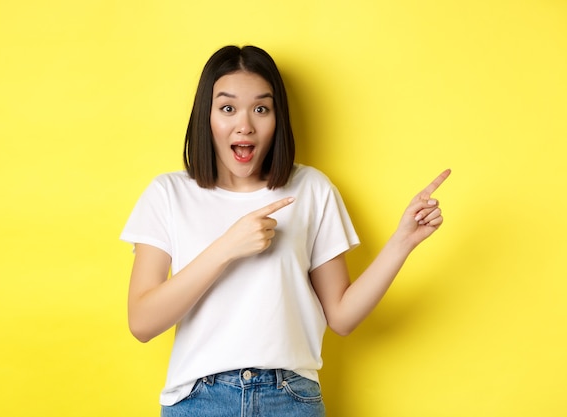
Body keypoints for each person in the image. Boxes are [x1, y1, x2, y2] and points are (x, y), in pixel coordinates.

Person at [120, 45, 450, 417]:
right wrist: (227, 246)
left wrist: (402, 242)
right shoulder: (168, 194)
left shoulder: (311, 188)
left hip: (290, 399)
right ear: (205, 116)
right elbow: (142, 322)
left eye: (261, 108)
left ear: (277, 118)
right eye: (227, 108)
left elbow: (341, 316)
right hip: (199, 400)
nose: (244, 124)